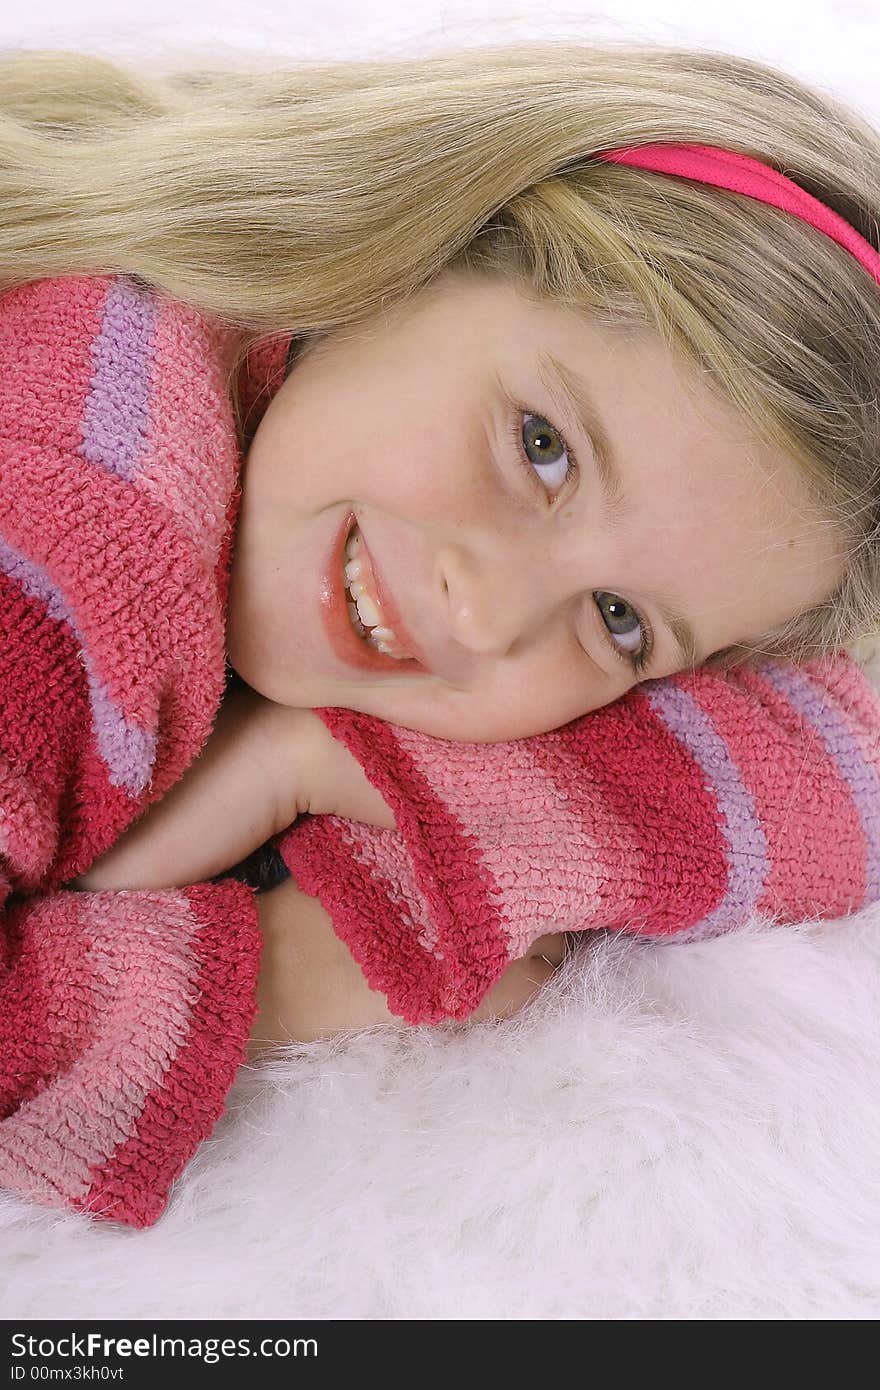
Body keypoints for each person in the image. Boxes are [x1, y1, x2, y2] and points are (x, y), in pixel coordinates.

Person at [2, 39, 880, 1225]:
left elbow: (846, 764)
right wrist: (282, 970)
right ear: (422, 239)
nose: (487, 614)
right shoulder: (80, 547)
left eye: (619, 621)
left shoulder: (196, 298)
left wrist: (320, 758)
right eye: (540, 448)